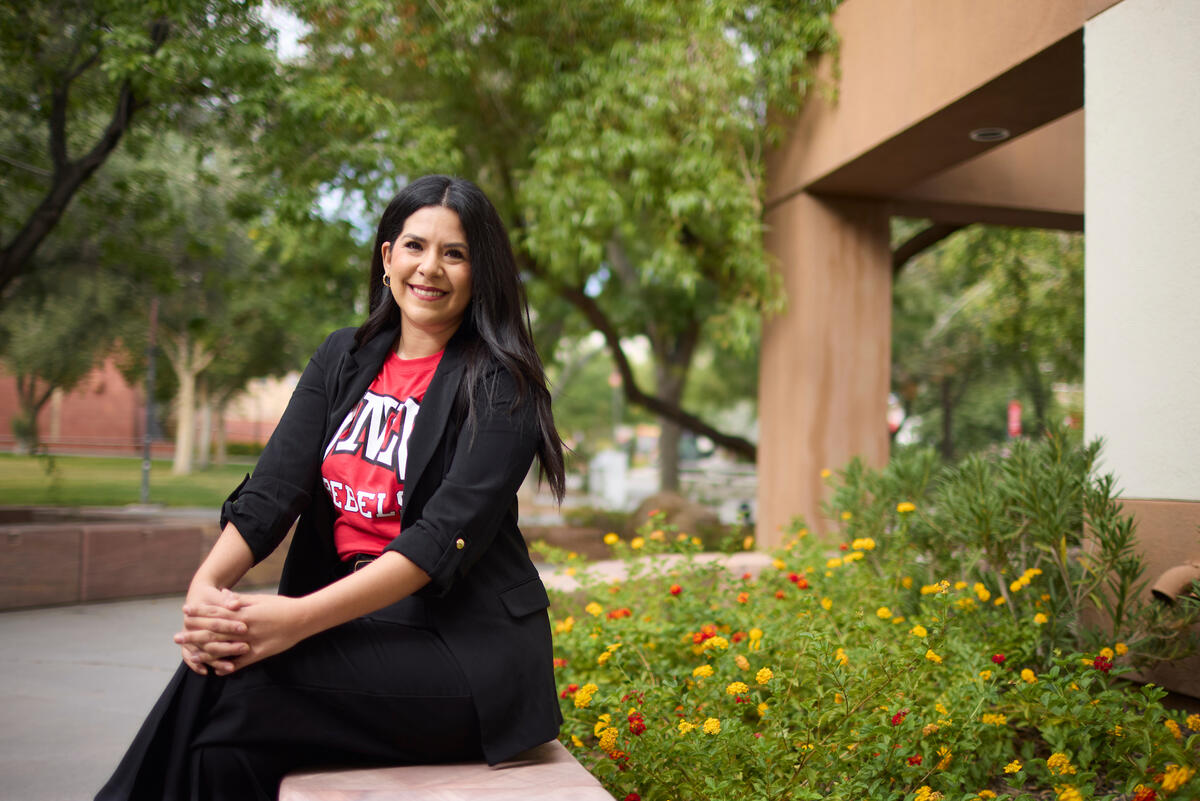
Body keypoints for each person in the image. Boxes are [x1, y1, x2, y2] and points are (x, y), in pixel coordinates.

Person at [96, 175, 566, 801]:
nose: (431, 268)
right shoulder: (343, 357)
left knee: (239, 681)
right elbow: (273, 488)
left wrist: (293, 621)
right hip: (354, 633)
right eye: (415, 246)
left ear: (483, 272)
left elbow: (437, 540)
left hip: (463, 659)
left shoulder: (503, 386)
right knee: (221, 749)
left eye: (455, 254)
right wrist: (206, 592)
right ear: (387, 257)